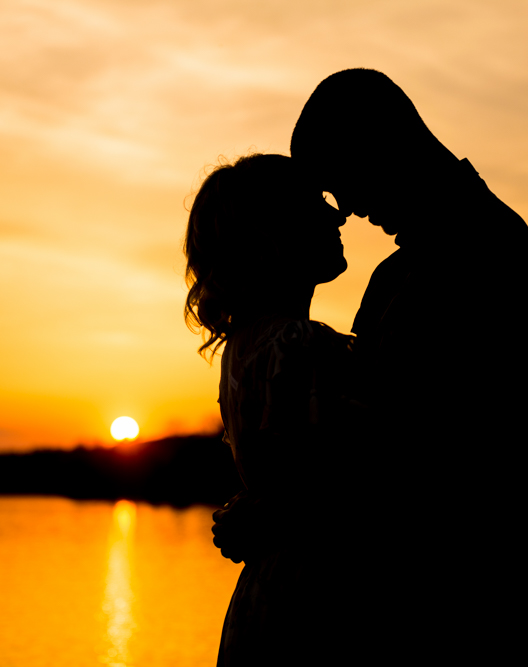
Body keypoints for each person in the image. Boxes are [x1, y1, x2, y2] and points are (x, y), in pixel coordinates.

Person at [215, 69, 528, 664]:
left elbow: (454, 450)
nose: (349, 212)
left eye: (342, 185)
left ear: (381, 146)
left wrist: (276, 510)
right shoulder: (394, 276)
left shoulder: (491, 250)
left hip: (488, 602)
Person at [184, 153, 359, 666]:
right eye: (315, 205)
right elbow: (347, 485)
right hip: (315, 606)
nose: (337, 214)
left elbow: (287, 474)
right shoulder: (299, 345)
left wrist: (253, 509)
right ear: (274, 236)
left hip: (265, 597)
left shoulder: (243, 348)